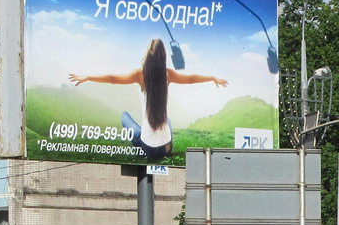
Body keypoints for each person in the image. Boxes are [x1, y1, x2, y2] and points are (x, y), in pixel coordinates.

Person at [68, 39, 227, 162]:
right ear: (163, 57)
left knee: (124, 116)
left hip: (147, 149)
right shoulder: (168, 74)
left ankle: (139, 142)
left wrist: (87, 77)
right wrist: (212, 78)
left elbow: (112, 79)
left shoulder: (140, 75)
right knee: (168, 121)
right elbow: (191, 79)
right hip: (166, 148)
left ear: (147, 57)